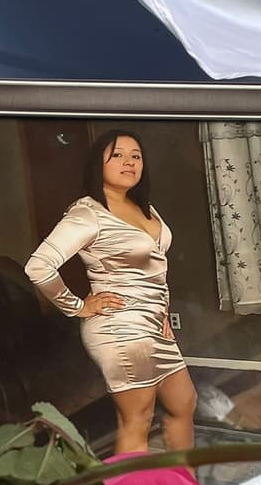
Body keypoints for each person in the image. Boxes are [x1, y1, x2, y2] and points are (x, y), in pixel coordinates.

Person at [24, 129, 197, 454]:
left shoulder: (144, 207)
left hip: (152, 325)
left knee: (183, 401)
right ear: (97, 164)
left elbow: (156, 268)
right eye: (117, 155)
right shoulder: (88, 213)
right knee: (137, 417)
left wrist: (162, 314)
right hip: (118, 327)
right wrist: (77, 306)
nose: (129, 162)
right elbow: (39, 266)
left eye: (136, 155)